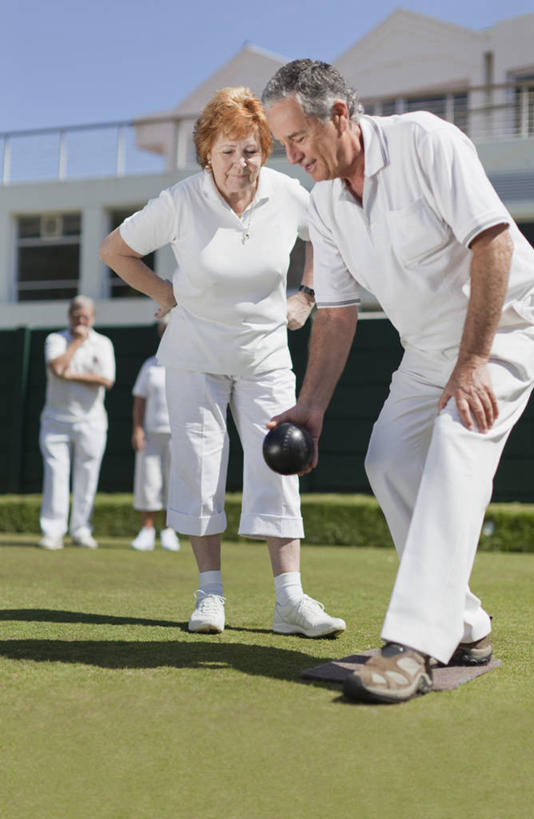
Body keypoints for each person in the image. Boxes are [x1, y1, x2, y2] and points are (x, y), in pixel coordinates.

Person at [263, 60, 534, 702]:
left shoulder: (426, 141)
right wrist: (311, 408)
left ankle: (414, 644)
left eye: (297, 138)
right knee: (389, 460)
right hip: (427, 348)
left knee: (457, 445)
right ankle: (466, 626)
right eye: (284, 144)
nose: (292, 155)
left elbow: (494, 242)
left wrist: (472, 362)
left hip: (503, 328)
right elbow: (336, 313)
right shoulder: (325, 204)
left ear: (339, 115)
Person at [99, 86, 345, 638]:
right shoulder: (180, 200)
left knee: (280, 466)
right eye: (227, 151)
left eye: (251, 150)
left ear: (266, 150)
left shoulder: (286, 193)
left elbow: (328, 236)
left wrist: (306, 294)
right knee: (200, 467)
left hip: (265, 355)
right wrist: (165, 294)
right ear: (207, 153)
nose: (240, 163)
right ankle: (209, 595)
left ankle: (290, 601)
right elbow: (114, 250)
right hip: (194, 356)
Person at [38, 296, 115, 550]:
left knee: (88, 477)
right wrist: (76, 343)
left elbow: (106, 380)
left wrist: (71, 375)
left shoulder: (103, 343)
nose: (81, 321)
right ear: (69, 316)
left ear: (92, 318)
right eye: (76, 315)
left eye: (85, 316)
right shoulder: (55, 339)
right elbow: (57, 368)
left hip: (92, 421)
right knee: (55, 476)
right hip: (56, 420)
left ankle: (81, 530)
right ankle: (53, 532)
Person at [131, 318, 180, 552]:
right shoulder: (150, 365)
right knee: (149, 482)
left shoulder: (187, 365)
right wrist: (137, 429)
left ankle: (169, 531)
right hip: (151, 434)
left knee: (174, 482)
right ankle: (147, 531)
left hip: (178, 435)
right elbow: (139, 401)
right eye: (165, 331)